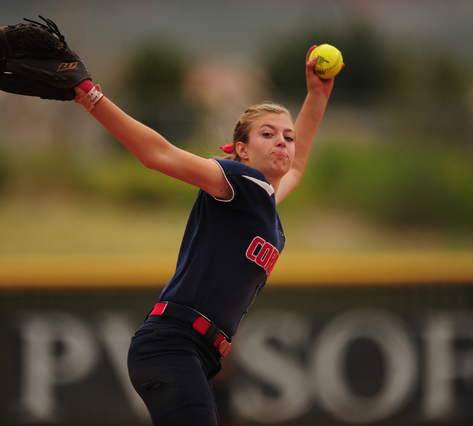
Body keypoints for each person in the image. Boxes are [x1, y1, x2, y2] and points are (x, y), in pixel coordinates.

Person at [74, 46, 337, 426]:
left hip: (190, 351)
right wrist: (90, 96)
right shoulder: (239, 180)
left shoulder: (260, 203)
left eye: (288, 136)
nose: (283, 142)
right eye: (268, 134)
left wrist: (317, 96)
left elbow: (296, 170)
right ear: (242, 151)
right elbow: (157, 153)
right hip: (173, 344)